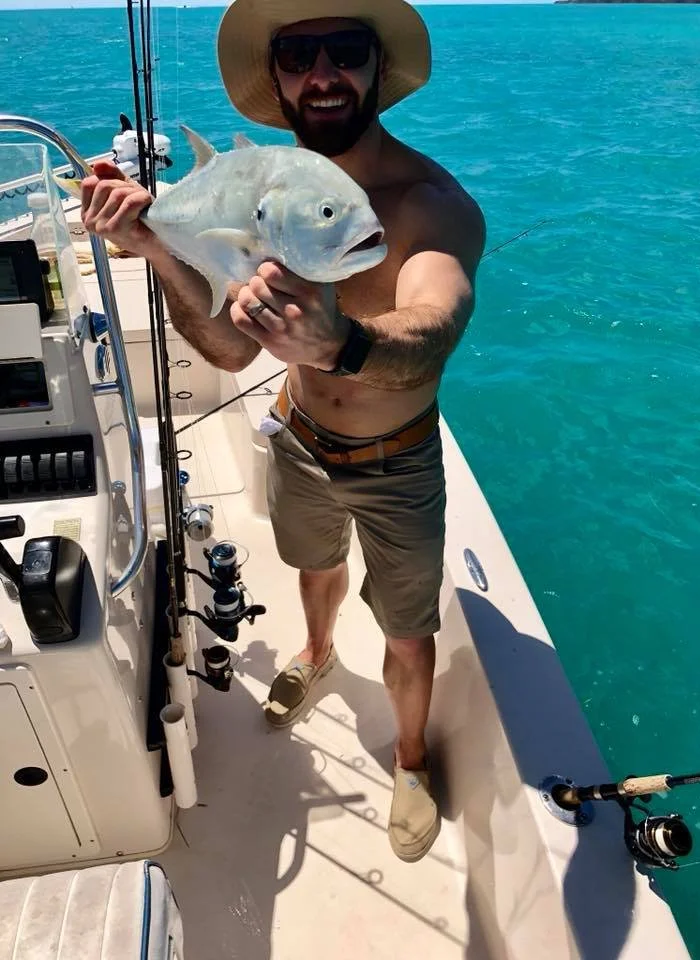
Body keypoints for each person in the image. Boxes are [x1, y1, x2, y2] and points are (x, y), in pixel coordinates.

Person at [79, 0, 485, 863]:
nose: (324, 73)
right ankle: (315, 649)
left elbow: (435, 328)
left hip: (398, 457)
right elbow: (228, 349)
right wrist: (154, 242)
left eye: (346, 50)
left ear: (379, 69)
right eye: (301, 54)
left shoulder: (428, 204)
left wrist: (342, 342)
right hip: (296, 434)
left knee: (410, 631)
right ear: (279, 79)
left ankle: (409, 762)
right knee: (313, 566)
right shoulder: (273, 196)